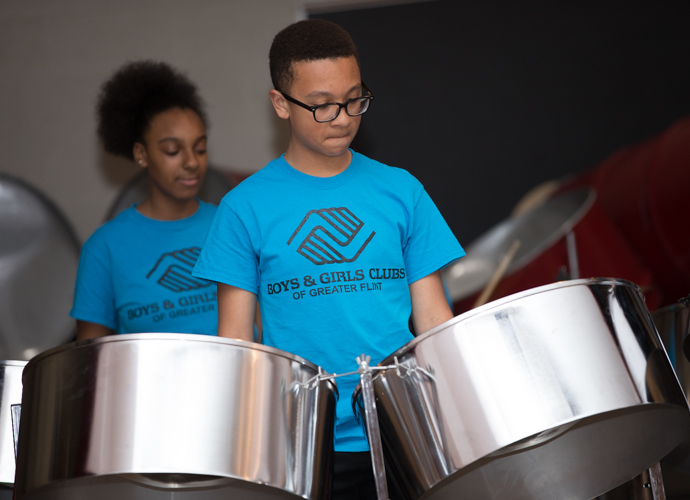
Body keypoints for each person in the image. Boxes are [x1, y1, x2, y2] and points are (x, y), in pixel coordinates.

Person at [193, 19, 464, 499]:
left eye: (354, 99)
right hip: (300, 444)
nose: (342, 117)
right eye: (320, 105)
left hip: (405, 431)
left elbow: (434, 320)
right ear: (280, 103)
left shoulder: (402, 190)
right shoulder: (243, 207)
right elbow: (236, 343)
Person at [71, 61, 219, 340]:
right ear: (141, 154)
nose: (191, 162)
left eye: (199, 148)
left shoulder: (231, 226)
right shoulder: (104, 248)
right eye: (173, 151)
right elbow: (89, 362)